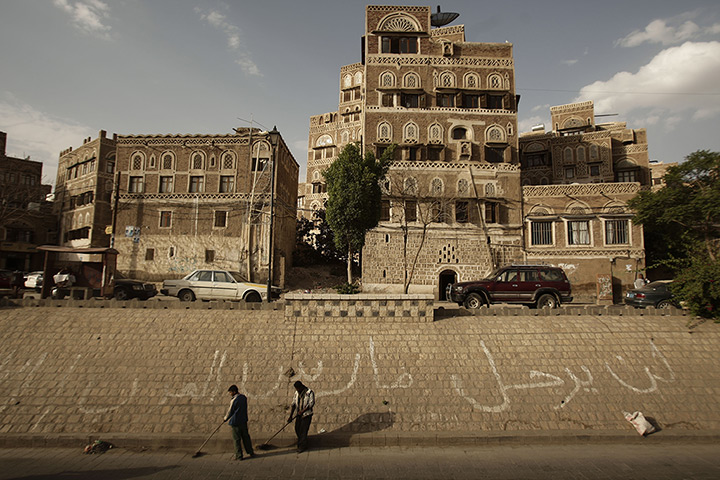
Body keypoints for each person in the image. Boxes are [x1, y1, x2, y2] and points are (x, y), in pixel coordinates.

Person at [224, 385, 255, 460]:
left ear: (234, 392)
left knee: (237, 439)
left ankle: (239, 455)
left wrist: (225, 418)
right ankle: (250, 451)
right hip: (243, 420)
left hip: (236, 422)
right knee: (246, 437)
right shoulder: (243, 398)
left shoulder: (234, 400)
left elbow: (230, 411)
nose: (230, 394)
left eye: (230, 392)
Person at [288, 380, 315, 453]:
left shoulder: (309, 393)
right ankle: (302, 443)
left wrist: (302, 411)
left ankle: (302, 446)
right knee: (297, 429)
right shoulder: (296, 393)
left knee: (303, 431)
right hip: (298, 415)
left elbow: (311, 404)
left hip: (306, 415)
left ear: (301, 387)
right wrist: (290, 416)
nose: (297, 390)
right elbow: (293, 404)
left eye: (298, 388)